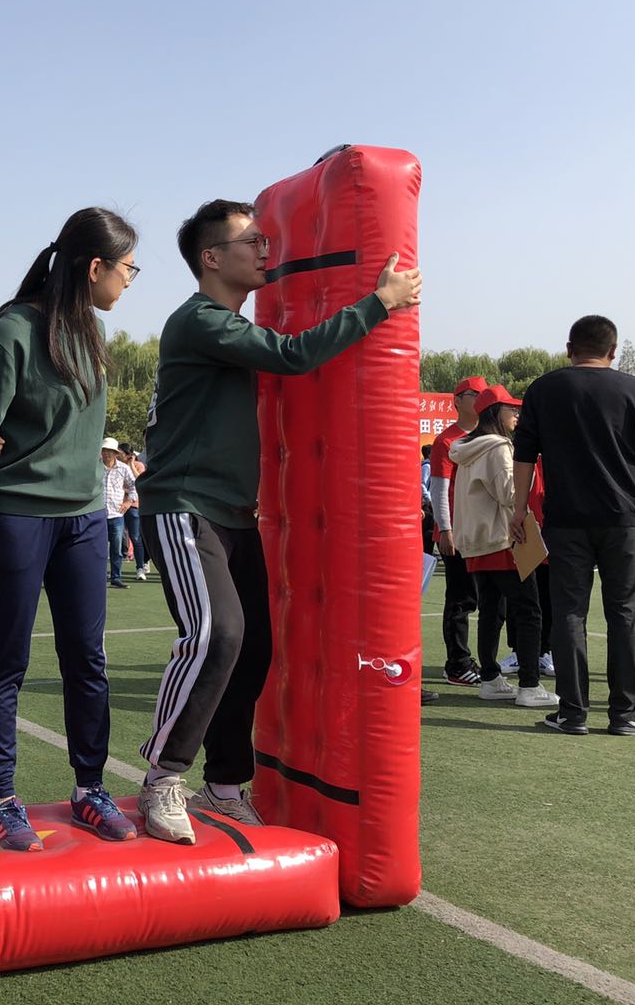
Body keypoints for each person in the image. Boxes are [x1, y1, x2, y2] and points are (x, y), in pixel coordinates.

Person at [134, 198, 421, 841]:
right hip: (184, 506)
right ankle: (163, 777)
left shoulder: (224, 326)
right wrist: (381, 302)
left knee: (253, 648)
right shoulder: (201, 320)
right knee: (217, 635)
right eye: (252, 241)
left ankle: (224, 786)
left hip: (233, 514)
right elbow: (293, 355)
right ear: (212, 258)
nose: (266, 251)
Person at [0, 207, 141, 852]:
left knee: (87, 659)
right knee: (5, 661)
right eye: (128, 268)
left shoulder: (93, 331)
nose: (130, 280)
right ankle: (3, 799)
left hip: (85, 519)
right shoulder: (12, 331)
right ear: (95, 267)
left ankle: (90, 788)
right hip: (17, 518)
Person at [511, 316, 635, 736]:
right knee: (625, 615)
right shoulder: (634, 389)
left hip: (566, 519)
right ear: (613, 351)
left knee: (569, 613)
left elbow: (524, 455)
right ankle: (625, 713)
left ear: (569, 348)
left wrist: (518, 510)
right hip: (624, 518)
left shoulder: (544, 389)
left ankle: (572, 712)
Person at [446, 385, 559, 709]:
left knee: (491, 612)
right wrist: (529, 470)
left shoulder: (466, 448)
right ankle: (529, 684)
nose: (517, 415)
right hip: (504, 540)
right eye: (512, 409)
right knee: (528, 612)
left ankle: (491, 678)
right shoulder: (497, 447)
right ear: (496, 413)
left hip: (478, 543)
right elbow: (511, 494)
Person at [429, 376, 490, 685]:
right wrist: (446, 529)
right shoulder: (447, 441)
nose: (480, 399)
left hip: (483, 532)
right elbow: (439, 490)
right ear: (457, 401)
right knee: (461, 598)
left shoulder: (487, 437)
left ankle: (473, 661)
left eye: (483, 394)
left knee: (484, 598)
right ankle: (457, 663)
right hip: (458, 531)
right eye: (474, 394)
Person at [101, 437, 136, 589]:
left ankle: (116, 577)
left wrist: (128, 502)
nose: (106, 453)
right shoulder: (95, 467)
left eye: (109, 451)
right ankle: (100, 576)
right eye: (104, 450)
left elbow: (134, 486)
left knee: (117, 549)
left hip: (116, 514)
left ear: (115, 453)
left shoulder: (123, 468)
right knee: (99, 549)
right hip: (98, 514)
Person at [121, 443, 149, 580]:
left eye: (120, 453)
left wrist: (132, 464)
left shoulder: (138, 465)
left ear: (128, 454)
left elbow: (140, 481)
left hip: (133, 505)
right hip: (118, 506)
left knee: (136, 538)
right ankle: (116, 572)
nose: (118, 456)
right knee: (117, 539)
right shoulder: (116, 466)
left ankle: (140, 567)